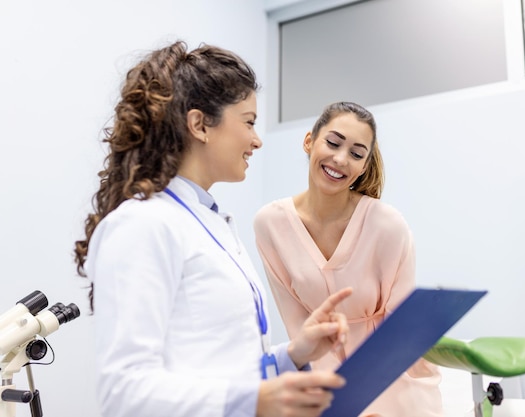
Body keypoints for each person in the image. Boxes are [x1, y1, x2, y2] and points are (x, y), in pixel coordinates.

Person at [73, 41, 353, 417]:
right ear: (200, 125)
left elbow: (218, 367)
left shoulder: (210, 223)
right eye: (249, 121)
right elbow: (123, 392)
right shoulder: (142, 225)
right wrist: (252, 402)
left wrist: (293, 354)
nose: (256, 140)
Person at [253, 101, 444, 417]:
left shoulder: (388, 225)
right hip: (327, 386)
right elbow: (298, 327)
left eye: (356, 154)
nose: (340, 160)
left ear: (365, 165)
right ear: (309, 141)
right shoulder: (269, 224)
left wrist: (367, 400)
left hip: (396, 382)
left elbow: (401, 330)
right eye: (332, 142)